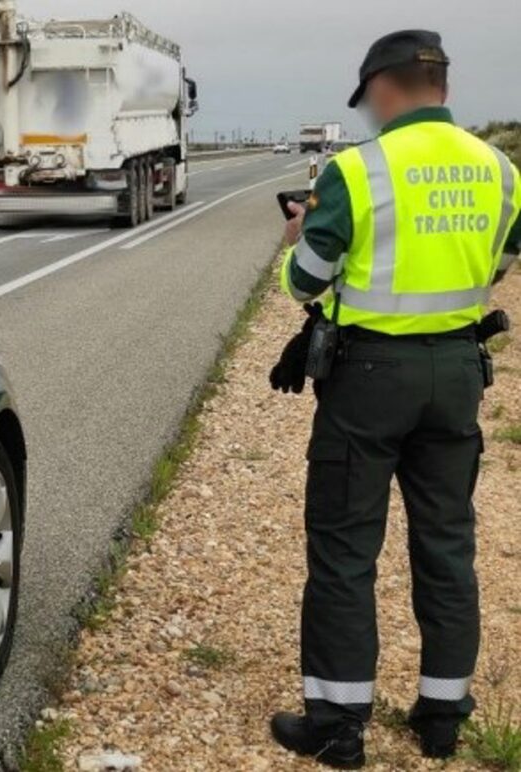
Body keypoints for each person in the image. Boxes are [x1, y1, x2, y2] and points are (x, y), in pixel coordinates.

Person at [269, 30, 521, 769]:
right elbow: (501, 261)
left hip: (370, 379)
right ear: (439, 84)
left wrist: (294, 237)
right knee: (447, 544)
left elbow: (304, 282)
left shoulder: (357, 170)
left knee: (347, 547)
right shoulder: (502, 171)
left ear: (383, 87)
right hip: (458, 373)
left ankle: (339, 723)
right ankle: (443, 716)